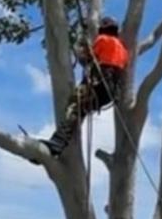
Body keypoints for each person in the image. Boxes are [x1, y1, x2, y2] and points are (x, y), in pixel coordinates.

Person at [45, 17, 129, 158]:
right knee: (82, 109)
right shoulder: (123, 49)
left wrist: (81, 41)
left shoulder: (103, 39)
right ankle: (59, 144)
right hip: (111, 92)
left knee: (74, 106)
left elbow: (86, 59)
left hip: (99, 82)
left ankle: (58, 142)